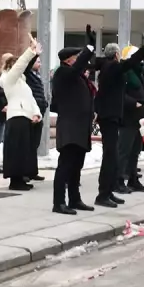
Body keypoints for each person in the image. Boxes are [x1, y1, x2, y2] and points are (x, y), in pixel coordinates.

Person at [93, 31, 144, 208]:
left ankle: (107, 192)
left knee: (112, 155)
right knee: (111, 155)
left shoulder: (107, 67)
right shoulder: (111, 67)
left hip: (113, 116)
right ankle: (104, 193)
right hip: (110, 116)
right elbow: (131, 62)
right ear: (116, 55)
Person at [51, 25, 97, 215]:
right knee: (66, 165)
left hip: (80, 127)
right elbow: (79, 66)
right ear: (69, 60)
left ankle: (74, 199)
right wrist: (90, 46)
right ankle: (58, 202)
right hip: (70, 128)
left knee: (77, 165)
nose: (80, 61)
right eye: (77, 58)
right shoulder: (63, 73)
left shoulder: (77, 76)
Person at [0, 37, 42, 192]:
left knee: (23, 150)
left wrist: (36, 113)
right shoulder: (8, 79)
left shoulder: (22, 83)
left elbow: (31, 100)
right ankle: (15, 180)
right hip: (16, 117)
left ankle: (21, 178)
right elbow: (19, 67)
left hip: (26, 117)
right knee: (15, 150)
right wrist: (31, 51)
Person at [24, 51, 49, 182]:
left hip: (39, 112)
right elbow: (26, 66)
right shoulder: (27, 74)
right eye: (38, 61)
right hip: (31, 113)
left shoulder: (37, 76)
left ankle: (33, 171)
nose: (40, 64)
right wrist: (34, 53)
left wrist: (45, 103)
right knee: (29, 144)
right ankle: (26, 172)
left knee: (35, 144)